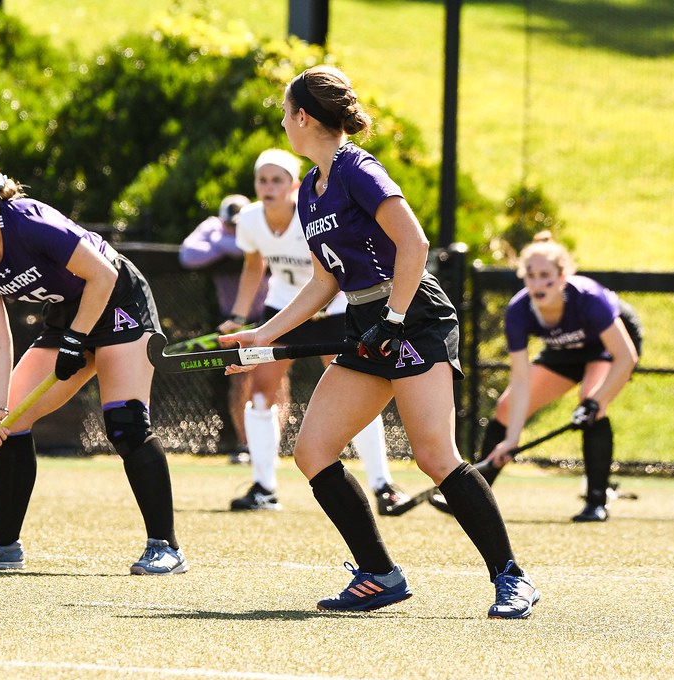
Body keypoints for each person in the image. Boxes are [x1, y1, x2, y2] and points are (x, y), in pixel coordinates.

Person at [222, 66, 539, 618]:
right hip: (366, 320)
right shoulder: (309, 191)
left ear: (303, 117)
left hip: (413, 316)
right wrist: (264, 334)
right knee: (313, 452)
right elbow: (326, 281)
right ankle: (378, 574)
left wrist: (393, 321)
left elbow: (414, 245)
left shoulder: (358, 169)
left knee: (434, 456)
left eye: (285, 113)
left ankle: (512, 578)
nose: (283, 122)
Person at [0, 149, 187, 575]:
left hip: (118, 301)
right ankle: (2, 545)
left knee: (125, 422)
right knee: (10, 422)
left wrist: (76, 340)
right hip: (69, 314)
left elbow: (103, 275)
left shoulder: (27, 221)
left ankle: (166, 547)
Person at [218, 148, 411, 516]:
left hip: (335, 307)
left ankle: (382, 486)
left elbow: (332, 274)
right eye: (262, 180)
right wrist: (238, 315)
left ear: (293, 185)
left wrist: (322, 307)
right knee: (260, 392)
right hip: (284, 308)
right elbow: (254, 265)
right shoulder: (251, 220)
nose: (268, 187)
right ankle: (264, 488)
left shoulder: (310, 213)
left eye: (277, 180)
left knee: (357, 394)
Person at [477, 232, 641, 522]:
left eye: (546, 277)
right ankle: (474, 497)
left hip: (608, 346)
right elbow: (521, 380)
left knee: (591, 404)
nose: (537, 284)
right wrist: (512, 439)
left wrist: (595, 400)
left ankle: (596, 502)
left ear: (563, 277)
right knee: (506, 408)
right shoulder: (519, 310)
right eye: (530, 276)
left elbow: (626, 357)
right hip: (563, 348)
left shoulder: (588, 298)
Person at [179, 194, 266, 463]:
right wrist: (225, 243)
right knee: (239, 382)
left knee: (271, 380)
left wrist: (222, 244)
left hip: (270, 317)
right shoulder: (212, 227)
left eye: (239, 226)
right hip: (233, 320)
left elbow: (256, 248)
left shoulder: (259, 222)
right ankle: (245, 445)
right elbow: (188, 255)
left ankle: (269, 447)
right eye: (230, 225)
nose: (235, 229)